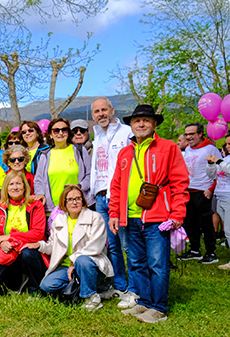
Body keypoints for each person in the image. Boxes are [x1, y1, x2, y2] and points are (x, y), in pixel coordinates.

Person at [109, 104, 189, 324]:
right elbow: (116, 186)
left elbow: (180, 182)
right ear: (131, 125)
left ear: (154, 124)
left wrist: (177, 213)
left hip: (157, 218)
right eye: (137, 121)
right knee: (136, 263)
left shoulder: (168, 147)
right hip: (130, 218)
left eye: (146, 120)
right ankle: (143, 301)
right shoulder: (125, 153)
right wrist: (114, 213)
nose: (141, 124)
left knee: (157, 264)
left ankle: (158, 308)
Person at [32, 185, 113, 311]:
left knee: (82, 260)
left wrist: (74, 262)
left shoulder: (95, 217)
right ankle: (83, 288)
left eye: (78, 198)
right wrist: (40, 245)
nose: (74, 202)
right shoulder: (59, 220)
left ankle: (92, 297)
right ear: (64, 203)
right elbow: (53, 246)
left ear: (83, 201)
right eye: (70, 199)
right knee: (47, 285)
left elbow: (95, 246)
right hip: (66, 266)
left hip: (90, 264)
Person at [88, 97, 135, 307]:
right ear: (93, 115)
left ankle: (135, 287)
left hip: (120, 196)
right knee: (111, 245)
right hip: (101, 197)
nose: (101, 114)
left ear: (112, 110)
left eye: (104, 110)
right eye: (97, 111)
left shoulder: (127, 133)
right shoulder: (97, 135)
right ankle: (120, 285)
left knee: (128, 244)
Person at [0, 171, 47, 294]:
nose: (15, 187)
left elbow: (38, 233)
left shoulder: (35, 205)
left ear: (24, 186)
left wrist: (9, 236)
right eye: (11, 184)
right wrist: (2, 243)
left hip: (29, 248)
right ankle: (17, 282)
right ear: (6, 188)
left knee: (28, 254)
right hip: (9, 250)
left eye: (18, 183)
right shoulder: (0, 207)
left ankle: (34, 288)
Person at [179, 123, 221, 264]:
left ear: (200, 134)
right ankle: (194, 250)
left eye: (192, 134)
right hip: (188, 190)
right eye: (186, 134)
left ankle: (211, 252)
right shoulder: (188, 149)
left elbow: (220, 171)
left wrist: (211, 188)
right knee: (190, 222)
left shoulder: (210, 149)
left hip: (203, 191)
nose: (189, 137)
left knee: (206, 223)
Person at [33, 118, 92, 213]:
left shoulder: (79, 150)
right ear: (50, 134)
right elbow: (38, 180)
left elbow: (89, 174)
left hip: (78, 206)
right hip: (53, 209)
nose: (60, 133)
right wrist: (40, 194)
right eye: (56, 130)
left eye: (64, 130)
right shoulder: (45, 155)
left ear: (68, 133)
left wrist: (80, 186)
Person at [206, 153, 230, 269]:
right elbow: (213, 176)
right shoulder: (226, 159)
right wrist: (210, 165)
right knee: (228, 232)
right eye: (227, 144)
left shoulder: (223, 161)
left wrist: (219, 162)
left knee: (229, 231)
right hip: (221, 197)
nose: (228, 146)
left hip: (229, 197)